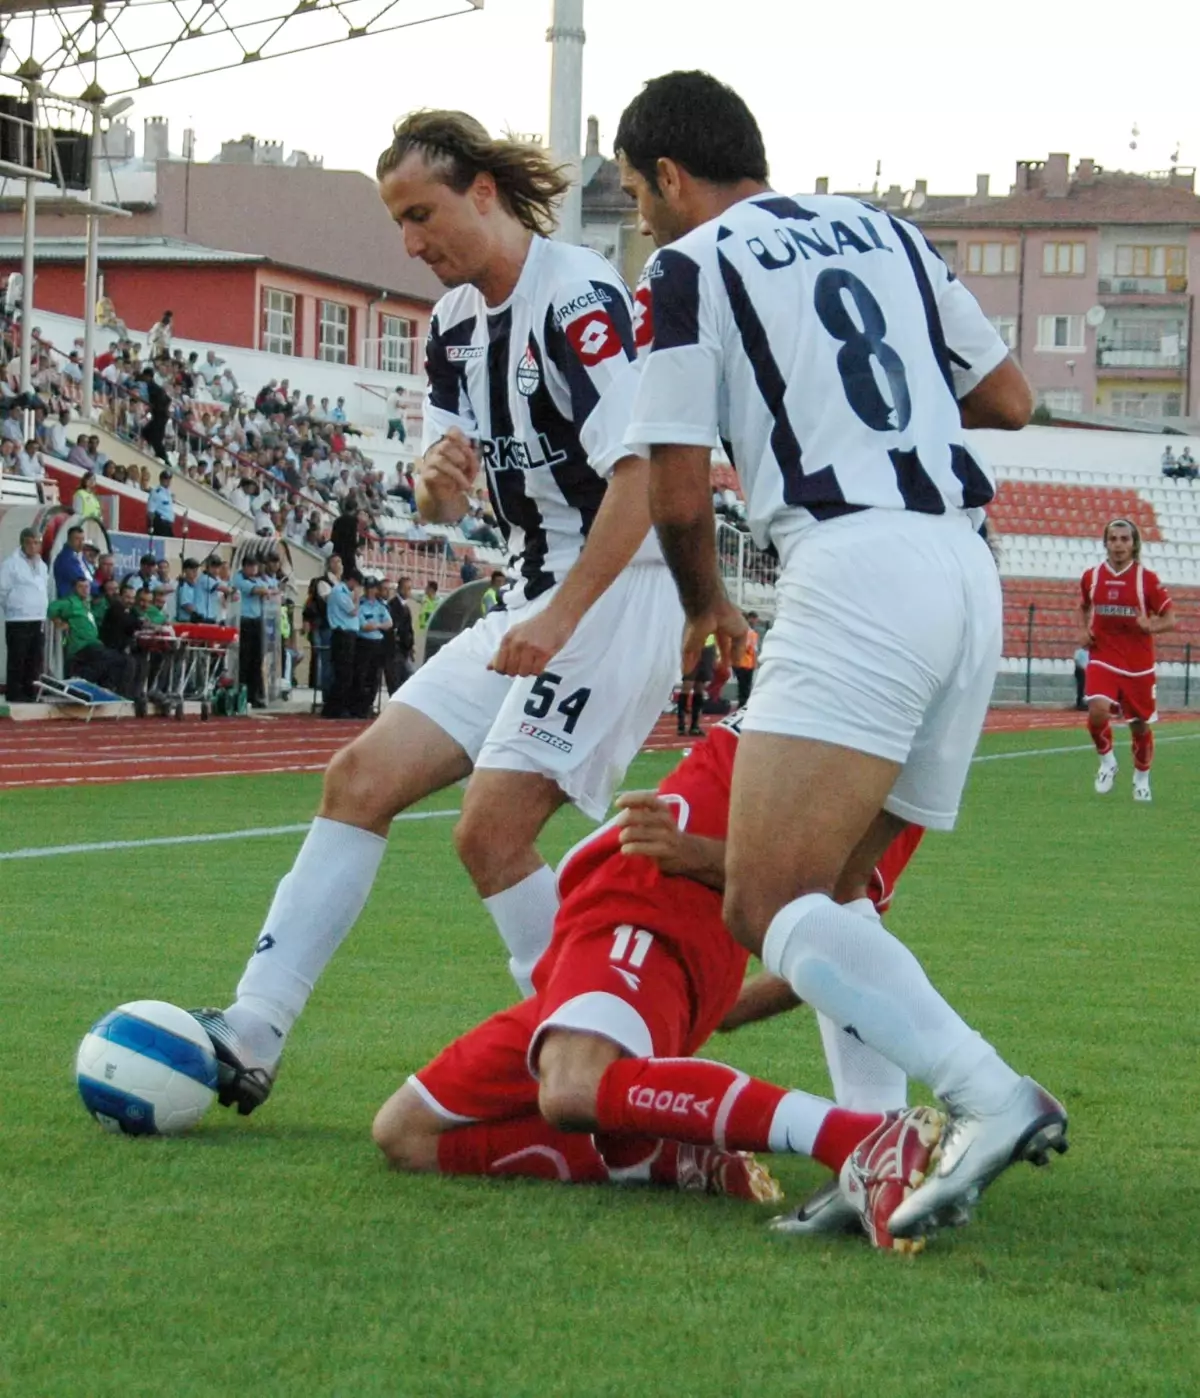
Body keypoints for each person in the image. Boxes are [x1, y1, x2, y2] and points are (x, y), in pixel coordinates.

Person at [615, 70, 1065, 1239]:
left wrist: (706, 603)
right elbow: (1010, 398)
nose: (641, 222)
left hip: (854, 566)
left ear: (669, 176)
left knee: (769, 899)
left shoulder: (685, 265)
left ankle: (986, 1095)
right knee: (841, 895)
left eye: (635, 196)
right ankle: (882, 1159)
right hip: (966, 563)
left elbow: (673, 490)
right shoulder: (889, 232)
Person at [191, 109, 683, 1117]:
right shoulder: (454, 325)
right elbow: (443, 498)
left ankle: (587, 1066)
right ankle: (253, 1029)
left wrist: (560, 619)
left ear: (485, 194)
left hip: (618, 591)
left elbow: (644, 480)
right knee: (359, 777)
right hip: (531, 597)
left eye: (422, 215)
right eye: (398, 225)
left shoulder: (579, 301)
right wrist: (433, 487)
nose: (411, 243)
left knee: (489, 832)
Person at [374, 714, 941, 1250]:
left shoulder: (891, 758)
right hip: (601, 943)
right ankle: (661, 1157)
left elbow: (837, 927)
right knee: (405, 1133)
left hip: (649, 911)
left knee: (572, 1086)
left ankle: (855, 1138)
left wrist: (693, 854)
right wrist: (720, 1009)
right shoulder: (821, 682)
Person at [1080, 518, 1175, 801]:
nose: (1118, 544)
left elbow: (1170, 618)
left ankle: (1141, 777)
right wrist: (1082, 629)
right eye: (1113, 539)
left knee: (1139, 726)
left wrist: (1151, 626)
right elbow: (1083, 607)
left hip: (1138, 665)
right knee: (1097, 710)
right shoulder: (1092, 577)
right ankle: (1107, 761)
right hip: (1103, 656)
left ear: (1134, 544)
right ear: (1105, 542)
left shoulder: (1147, 579)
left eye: (1124, 539)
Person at [47, 576, 130, 693]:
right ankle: (80, 681)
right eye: (81, 587)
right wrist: (58, 622)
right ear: (74, 589)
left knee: (121, 660)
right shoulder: (70, 603)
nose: (85, 589)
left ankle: (106, 688)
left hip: (94, 644)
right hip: (81, 645)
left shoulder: (87, 604)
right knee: (108, 658)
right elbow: (51, 608)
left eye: (87, 586)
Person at [0, 528, 49, 703]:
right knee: (18, 657)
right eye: (29, 542)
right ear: (22, 543)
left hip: (38, 618)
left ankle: (30, 691)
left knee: (34, 657)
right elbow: (2, 590)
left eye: (36, 542)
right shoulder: (10, 564)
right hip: (18, 618)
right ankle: (14, 692)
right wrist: (15, 607)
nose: (33, 546)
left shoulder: (42, 565)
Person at [232, 556, 270, 708]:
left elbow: (267, 590)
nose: (254, 569)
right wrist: (268, 590)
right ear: (245, 567)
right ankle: (242, 693)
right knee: (245, 659)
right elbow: (257, 590)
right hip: (244, 621)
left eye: (255, 566)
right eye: (251, 566)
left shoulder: (258, 580)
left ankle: (255, 695)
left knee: (257, 660)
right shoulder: (239, 579)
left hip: (258, 620)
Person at [324, 570, 360, 719]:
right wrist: (357, 598)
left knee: (345, 673)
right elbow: (353, 611)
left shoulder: (343, 592)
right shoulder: (339, 591)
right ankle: (334, 708)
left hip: (348, 635)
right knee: (342, 673)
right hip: (342, 634)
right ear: (351, 580)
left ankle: (337, 707)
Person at [354, 575, 392, 718]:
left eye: (373, 588)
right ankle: (359, 707)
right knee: (361, 675)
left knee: (374, 677)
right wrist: (378, 626)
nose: (371, 591)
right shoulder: (361, 604)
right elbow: (364, 626)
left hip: (377, 644)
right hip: (364, 643)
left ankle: (369, 705)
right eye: (368, 588)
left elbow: (389, 623)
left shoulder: (380, 606)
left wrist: (376, 626)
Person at [383, 575, 416, 693]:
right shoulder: (393, 605)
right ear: (400, 589)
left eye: (410, 588)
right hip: (395, 650)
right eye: (407, 588)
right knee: (395, 680)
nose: (408, 591)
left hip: (404, 651)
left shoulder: (405, 607)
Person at [140, 367, 171, 465]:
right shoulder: (156, 387)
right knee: (146, 432)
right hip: (159, 415)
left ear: (148, 376)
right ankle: (155, 452)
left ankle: (164, 459)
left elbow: (165, 400)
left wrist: (156, 407)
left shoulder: (152, 387)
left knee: (156, 439)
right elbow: (168, 399)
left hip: (160, 416)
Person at [52, 525, 92, 599]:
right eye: (77, 539)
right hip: (70, 603)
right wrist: (101, 588)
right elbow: (82, 579)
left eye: (82, 539)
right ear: (69, 540)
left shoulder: (79, 556)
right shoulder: (65, 559)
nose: (81, 543)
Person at [734, 611, 760, 707]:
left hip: (745, 663)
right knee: (745, 686)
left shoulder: (745, 632)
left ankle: (743, 704)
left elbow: (753, 649)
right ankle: (743, 704)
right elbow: (752, 648)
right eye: (755, 620)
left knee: (744, 686)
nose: (755, 622)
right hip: (745, 663)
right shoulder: (748, 633)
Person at [146, 469, 176, 537]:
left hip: (168, 524)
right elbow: (151, 511)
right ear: (161, 480)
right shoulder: (156, 493)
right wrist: (151, 526)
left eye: (169, 479)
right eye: (165, 479)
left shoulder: (168, 493)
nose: (168, 481)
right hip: (160, 524)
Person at [175, 558, 203, 623]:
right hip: (185, 621)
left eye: (196, 569)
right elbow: (185, 605)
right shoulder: (184, 585)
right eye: (191, 569)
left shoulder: (195, 585)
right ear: (185, 570)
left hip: (193, 620)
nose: (194, 571)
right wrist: (196, 614)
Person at [1072, 643, 1089, 712]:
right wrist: (1083, 668)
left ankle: (1086, 702)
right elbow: (1077, 661)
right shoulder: (1078, 652)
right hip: (1080, 671)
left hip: (1088, 670)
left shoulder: (1090, 652)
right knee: (1081, 686)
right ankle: (1080, 703)